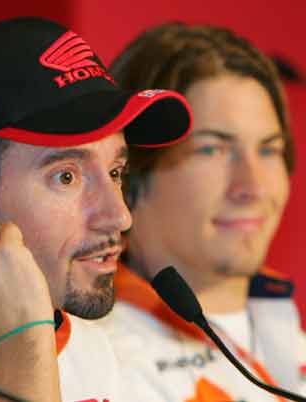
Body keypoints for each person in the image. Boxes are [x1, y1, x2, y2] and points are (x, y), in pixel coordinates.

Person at [0, 17, 192, 401]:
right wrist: (22, 344)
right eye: (67, 177)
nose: (120, 216)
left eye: (115, 171)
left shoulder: (90, 349)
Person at [99, 22, 306, 401]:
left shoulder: (288, 333)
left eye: (269, 149)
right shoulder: (91, 362)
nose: (253, 186)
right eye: (212, 149)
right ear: (129, 173)